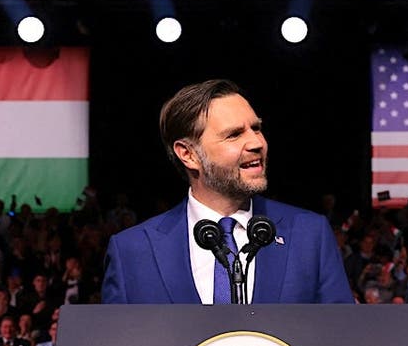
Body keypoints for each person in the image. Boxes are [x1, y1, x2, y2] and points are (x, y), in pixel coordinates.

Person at [101, 79, 352, 305]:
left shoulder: (309, 235)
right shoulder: (132, 252)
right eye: (234, 135)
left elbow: (338, 336)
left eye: (256, 128)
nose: (257, 143)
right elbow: (119, 342)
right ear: (189, 154)